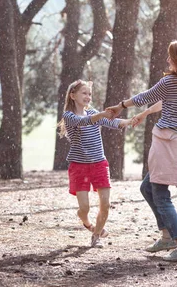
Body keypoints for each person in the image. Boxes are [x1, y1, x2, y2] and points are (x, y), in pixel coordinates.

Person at [106, 40, 177, 261]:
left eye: (171, 56)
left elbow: (145, 96)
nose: (168, 60)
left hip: (166, 142)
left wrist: (120, 106)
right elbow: (164, 101)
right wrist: (144, 114)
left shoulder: (171, 81)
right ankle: (166, 236)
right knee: (147, 188)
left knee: (160, 195)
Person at [57, 79, 131, 248]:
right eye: (84, 93)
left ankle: (96, 235)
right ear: (73, 95)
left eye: (89, 94)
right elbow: (84, 122)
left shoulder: (95, 114)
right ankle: (86, 222)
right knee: (85, 208)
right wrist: (101, 115)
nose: (88, 96)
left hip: (99, 164)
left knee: (105, 205)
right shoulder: (69, 116)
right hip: (79, 166)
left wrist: (129, 121)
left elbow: (112, 122)